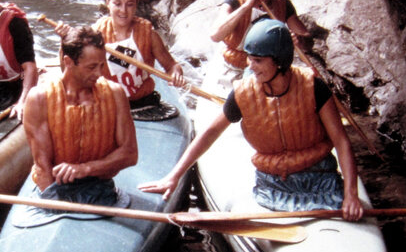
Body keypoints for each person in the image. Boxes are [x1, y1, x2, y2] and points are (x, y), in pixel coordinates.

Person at [140, 19, 364, 221]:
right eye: (249, 58)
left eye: (257, 61)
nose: (249, 66)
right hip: (274, 185)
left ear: (279, 61)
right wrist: (174, 176)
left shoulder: (314, 87)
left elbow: (341, 141)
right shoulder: (243, 94)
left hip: (320, 178)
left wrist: (351, 195)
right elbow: (209, 134)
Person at [22, 26, 137, 206]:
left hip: (100, 185)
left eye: (101, 65)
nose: (99, 74)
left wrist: (85, 169)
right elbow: (43, 166)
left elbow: (130, 154)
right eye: (91, 67)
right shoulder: (39, 98)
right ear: (68, 62)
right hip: (53, 186)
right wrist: (54, 205)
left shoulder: (116, 93)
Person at [54, 0, 186, 109]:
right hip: (106, 102)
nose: (123, 11)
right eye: (117, 4)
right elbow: (70, 74)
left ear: (136, 5)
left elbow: (172, 66)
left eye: (129, 5)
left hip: (143, 102)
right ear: (108, 3)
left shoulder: (150, 35)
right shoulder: (94, 36)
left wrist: (176, 74)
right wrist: (64, 42)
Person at [210, 0, 309, 76]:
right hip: (230, 67)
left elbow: (307, 40)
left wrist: (300, 40)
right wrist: (247, 5)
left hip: (265, 71)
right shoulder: (235, 1)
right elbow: (215, 36)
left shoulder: (283, 3)